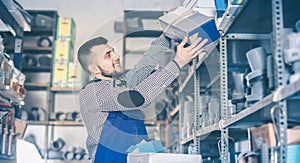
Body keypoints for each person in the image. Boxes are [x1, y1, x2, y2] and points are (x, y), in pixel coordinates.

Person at [77, 33, 208, 162]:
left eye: (113, 51)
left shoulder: (117, 86)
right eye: (108, 55)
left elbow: (146, 64)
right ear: (94, 68)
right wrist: (178, 62)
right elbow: (137, 98)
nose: (116, 56)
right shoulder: (94, 91)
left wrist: (167, 34)